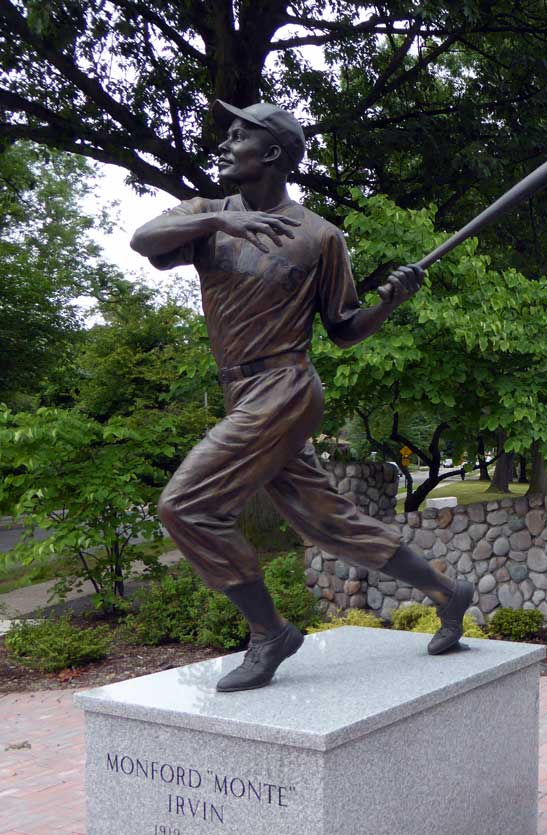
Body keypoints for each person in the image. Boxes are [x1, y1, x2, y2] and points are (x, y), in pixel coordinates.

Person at [130, 101, 474, 693]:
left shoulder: (320, 236)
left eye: (237, 136)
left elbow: (342, 330)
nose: (223, 144)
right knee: (328, 521)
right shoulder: (208, 214)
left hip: (285, 385)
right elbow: (144, 240)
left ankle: (270, 634)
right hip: (241, 392)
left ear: (270, 154)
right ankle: (447, 591)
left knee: (184, 506)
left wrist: (389, 302)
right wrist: (218, 224)